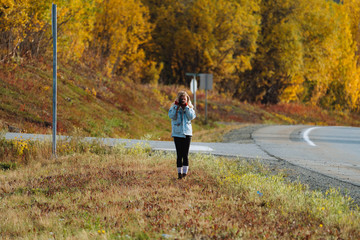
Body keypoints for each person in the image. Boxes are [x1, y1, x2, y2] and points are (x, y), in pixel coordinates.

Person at [168, 91, 196, 179]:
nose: (183, 100)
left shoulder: (190, 108)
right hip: (177, 133)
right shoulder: (174, 107)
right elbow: (171, 116)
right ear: (178, 99)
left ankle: (184, 174)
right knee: (179, 155)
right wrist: (177, 106)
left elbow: (191, 117)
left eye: (184, 99)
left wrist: (186, 107)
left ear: (187, 99)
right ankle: (179, 174)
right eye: (181, 99)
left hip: (187, 133)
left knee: (185, 154)